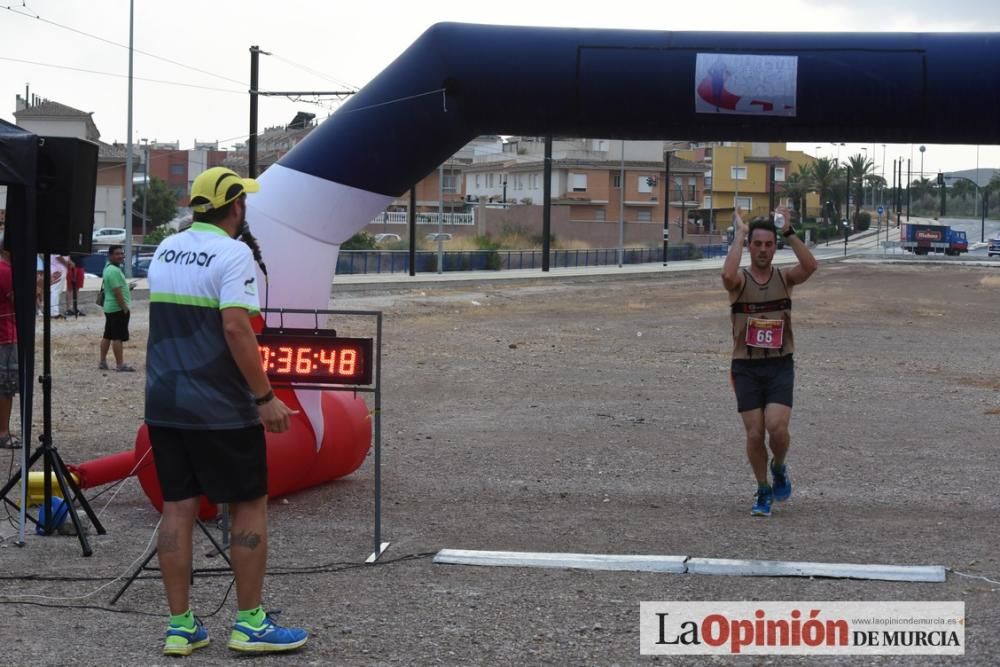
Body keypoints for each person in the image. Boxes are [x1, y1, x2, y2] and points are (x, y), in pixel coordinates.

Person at [145, 166, 306, 656]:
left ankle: (180, 626)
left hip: (164, 402)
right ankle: (250, 623)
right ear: (236, 206)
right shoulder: (233, 252)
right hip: (219, 406)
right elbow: (237, 329)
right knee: (248, 505)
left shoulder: (165, 249)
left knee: (178, 507)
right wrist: (264, 398)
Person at [721, 206, 818, 517]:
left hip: (779, 365)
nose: (763, 250)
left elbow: (811, 266)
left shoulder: (784, 278)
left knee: (776, 429)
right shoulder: (740, 282)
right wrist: (739, 235)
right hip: (746, 367)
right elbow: (726, 275)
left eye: (769, 244)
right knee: (754, 433)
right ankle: (762, 488)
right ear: (751, 247)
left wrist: (789, 231)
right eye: (757, 244)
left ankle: (778, 466)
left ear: (775, 247)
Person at [98, 245, 135, 372]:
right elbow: (117, 292)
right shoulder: (113, 271)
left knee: (107, 335)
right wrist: (124, 307)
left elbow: (116, 287)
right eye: (117, 254)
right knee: (117, 337)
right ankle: (120, 364)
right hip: (117, 308)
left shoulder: (108, 268)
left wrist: (127, 287)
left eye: (121, 253)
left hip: (110, 307)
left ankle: (102, 362)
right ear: (110, 255)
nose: (120, 256)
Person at [0, 236, 19, 449]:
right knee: (5, 387)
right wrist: (38, 287)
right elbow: (19, 301)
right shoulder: (6, 271)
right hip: (6, 336)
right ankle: (3, 432)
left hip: (7, 334)